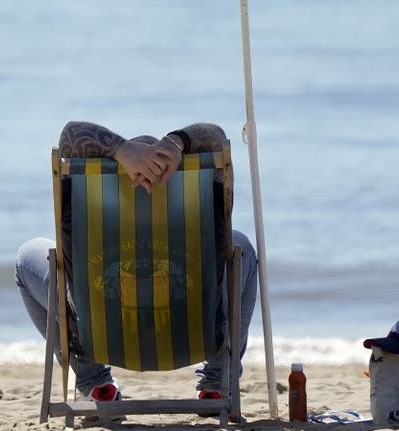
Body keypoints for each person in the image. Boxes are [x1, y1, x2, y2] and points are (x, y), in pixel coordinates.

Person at [15, 120, 259, 403]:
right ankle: (218, 384)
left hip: (100, 334)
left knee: (26, 258)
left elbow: (71, 134)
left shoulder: (88, 208)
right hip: (191, 331)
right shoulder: (200, 210)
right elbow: (215, 136)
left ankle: (95, 385)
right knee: (242, 249)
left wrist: (121, 149)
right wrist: (175, 143)